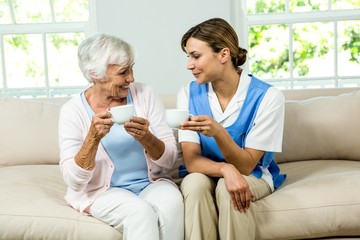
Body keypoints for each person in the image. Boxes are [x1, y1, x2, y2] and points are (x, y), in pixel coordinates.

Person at [58, 33, 184, 240]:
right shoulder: (72, 111)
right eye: (123, 72)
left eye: (132, 68)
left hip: (150, 183)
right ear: (95, 74)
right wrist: (92, 139)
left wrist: (147, 138)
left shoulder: (145, 94)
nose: (131, 78)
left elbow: (169, 160)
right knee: (139, 213)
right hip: (101, 192)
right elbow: (75, 182)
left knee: (172, 203)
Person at [177, 18, 286, 240]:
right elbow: (191, 161)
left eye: (196, 56)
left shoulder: (268, 97)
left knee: (228, 190)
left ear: (224, 55)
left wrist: (218, 132)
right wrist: (226, 170)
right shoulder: (188, 94)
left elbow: (246, 165)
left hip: (252, 174)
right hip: (206, 172)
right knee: (194, 184)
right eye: (188, 57)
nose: (189, 64)